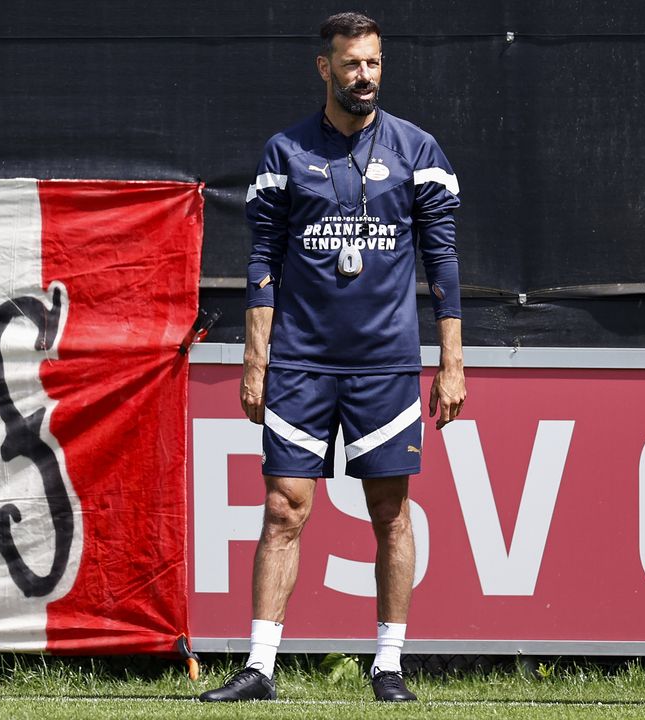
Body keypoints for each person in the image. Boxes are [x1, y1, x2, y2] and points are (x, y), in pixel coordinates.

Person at [199, 11, 466, 704]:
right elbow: (261, 258)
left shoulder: (419, 150)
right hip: (300, 365)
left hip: (384, 366)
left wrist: (452, 362)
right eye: (351, 64)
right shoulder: (285, 152)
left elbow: (443, 262)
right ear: (325, 68)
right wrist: (255, 361)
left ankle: (388, 664)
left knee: (390, 511)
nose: (364, 76)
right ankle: (260, 665)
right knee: (284, 509)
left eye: (374, 63)